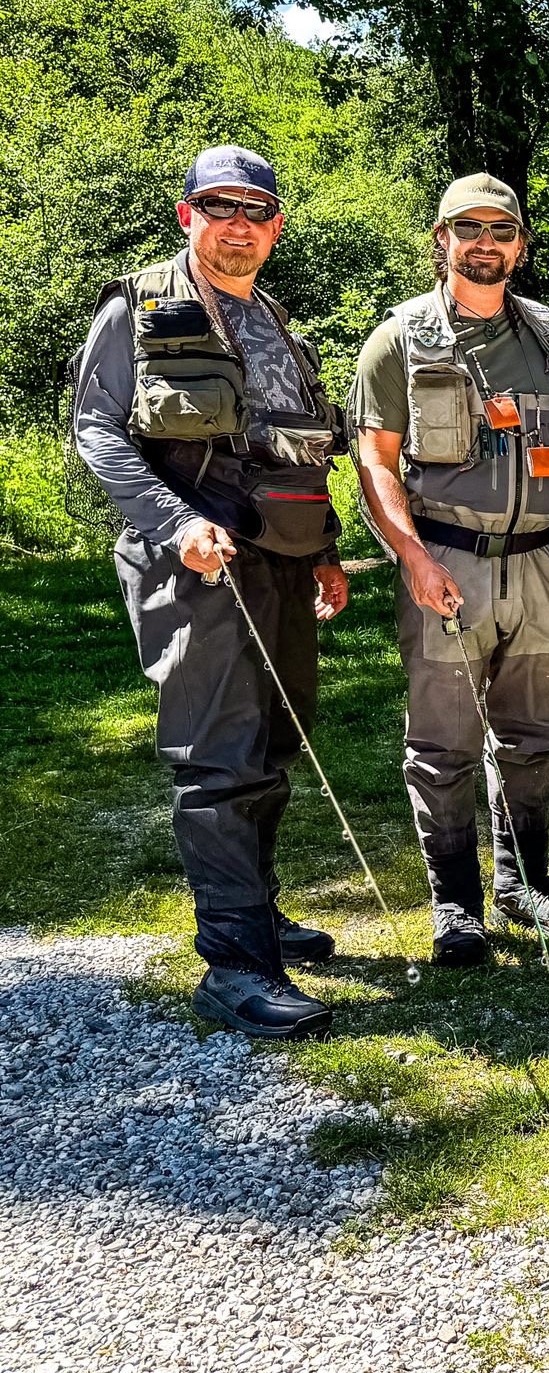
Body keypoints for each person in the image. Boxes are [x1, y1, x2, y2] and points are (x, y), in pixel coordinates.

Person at [71, 145, 351, 1038]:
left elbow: (299, 444)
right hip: (195, 564)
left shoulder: (272, 317)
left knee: (273, 740)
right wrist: (174, 523)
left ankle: (259, 912)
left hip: (280, 559)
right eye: (220, 208)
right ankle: (232, 966)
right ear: (188, 214)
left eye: (256, 211)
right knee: (220, 757)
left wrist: (327, 551)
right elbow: (97, 431)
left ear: (274, 226)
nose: (239, 226)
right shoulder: (141, 306)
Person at [350, 173, 549, 966]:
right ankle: (455, 905)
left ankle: (524, 883)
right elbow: (373, 461)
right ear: (440, 240)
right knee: (442, 742)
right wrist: (409, 555)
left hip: (539, 564)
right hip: (446, 557)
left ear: (521, 245)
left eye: (500, 230)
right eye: (466, 228)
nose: (484, 242)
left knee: (534, 733)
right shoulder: (400, 338)